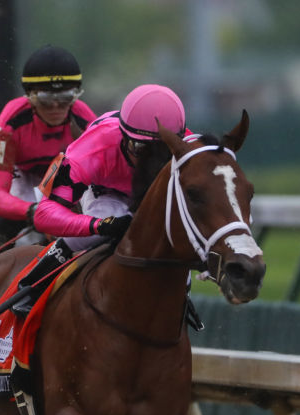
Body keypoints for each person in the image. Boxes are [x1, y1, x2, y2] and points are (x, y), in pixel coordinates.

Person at [11, 83, 187, 314]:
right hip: (106, 194)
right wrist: (99, 225)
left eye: (163, 150)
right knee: (104, 219)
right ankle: (30, 288)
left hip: (155, 196)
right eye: (141, 148)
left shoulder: (189, 148)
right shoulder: (93, 147)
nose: (151, 161)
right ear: (123, 136)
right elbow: (44, 215)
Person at [0, 45, 96, 253]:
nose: (55, 108)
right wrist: (32, 211)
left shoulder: (86, 120)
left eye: (64, 100)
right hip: (24, 178)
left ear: (75, 96)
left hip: (64, 177)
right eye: (45, 101)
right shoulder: (6, 126)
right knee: (4, 231)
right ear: (30, 97)